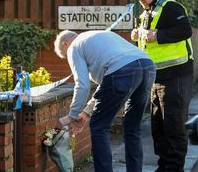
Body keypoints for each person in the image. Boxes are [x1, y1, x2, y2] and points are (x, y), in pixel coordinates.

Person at [54, 30, 156, 172]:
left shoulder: (74, 47)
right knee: (133, 128)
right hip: (148, 66)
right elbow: (106, 86)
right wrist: (86, 112)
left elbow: (82, 85)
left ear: (66, 44)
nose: (68, 58)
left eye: (65, 56)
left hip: (123, 71)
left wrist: (71, 115)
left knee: (99, 126)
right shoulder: (96, 37)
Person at [131, 0, 194, 172]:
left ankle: (174, 168)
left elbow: (185, 30)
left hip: (176, 76)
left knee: (174, 126)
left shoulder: (171, 7)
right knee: (158, 128)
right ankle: (164, 166)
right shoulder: (145, 14)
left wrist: (156, 35)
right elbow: (147, 45)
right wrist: (136, 36)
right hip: (156, 78)